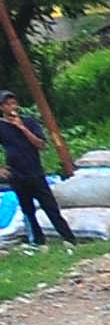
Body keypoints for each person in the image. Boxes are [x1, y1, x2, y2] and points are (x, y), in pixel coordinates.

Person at [0, 96, 64, 251]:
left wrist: (22, 127)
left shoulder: (29, 122)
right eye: (8, 104)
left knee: (50, 206)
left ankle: (67, 237)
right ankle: (37, 241)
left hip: (35, 171)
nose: (12, 107)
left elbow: (41, 144)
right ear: (2, 107)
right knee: (27, 209)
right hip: (16, 173)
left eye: (14, 103)